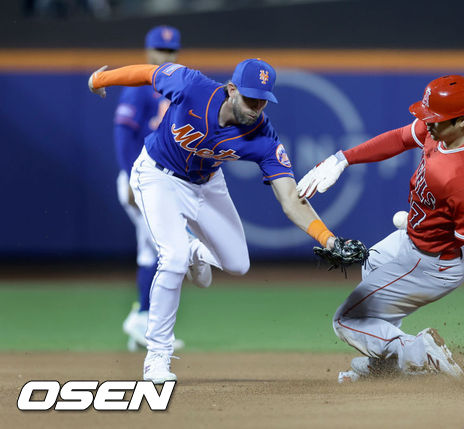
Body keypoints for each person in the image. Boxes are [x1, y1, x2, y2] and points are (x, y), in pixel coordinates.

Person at [88, 58, 343, 384]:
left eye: (263, 100)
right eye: (251, 99)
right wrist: (103, 79)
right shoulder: (191, 87)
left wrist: (328, 239)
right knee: (173, 257)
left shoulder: (263, 136)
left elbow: (291, 199)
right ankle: (157, 356)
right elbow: (148, 73)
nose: (256, 108)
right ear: (231, 89)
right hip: (157, 176)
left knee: (238, 264)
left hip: (207, 185)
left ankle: (195, 251)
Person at [296, 75, 464, 382]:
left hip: (432, 261)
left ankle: (418, 351)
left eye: (436, 119)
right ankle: (391, 364)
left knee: (346, 320)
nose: (427, 123)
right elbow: (402, 138)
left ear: (462, 121)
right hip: (420, 238)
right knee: (372, 264)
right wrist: (342, 159)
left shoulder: (463, 178)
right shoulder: (460, 126)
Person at [114, 25, 185, 352]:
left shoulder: (178, 85)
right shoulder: (139, 86)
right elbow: (123, 134)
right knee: (160, 251)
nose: (165, 56)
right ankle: (143, 318)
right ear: (148, 51)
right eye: (160, 50)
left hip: (162, 179)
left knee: (152, 250)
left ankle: (140, 324)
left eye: (170, 51)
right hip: (141, 178)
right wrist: (131, 177)